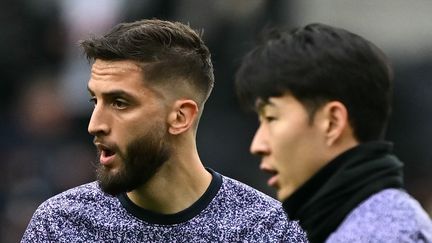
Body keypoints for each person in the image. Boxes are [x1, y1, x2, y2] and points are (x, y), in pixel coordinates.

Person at [21, 19, 307, 242]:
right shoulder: (60, 225)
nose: (94, 125)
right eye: (95, 101)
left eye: (119, 103)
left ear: (181, 117)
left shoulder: (269, 231)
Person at [235, 23, 432, 242]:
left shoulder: (379, 235)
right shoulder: (374, 223)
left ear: (332, 122)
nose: (258, 145)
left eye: (271, 118)